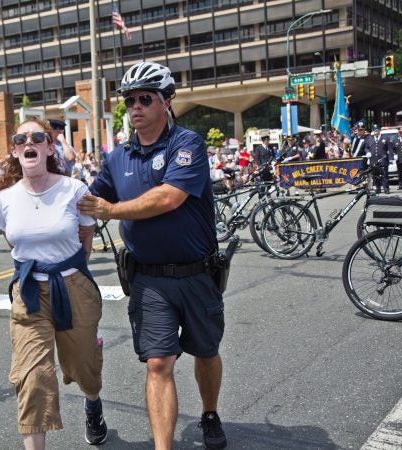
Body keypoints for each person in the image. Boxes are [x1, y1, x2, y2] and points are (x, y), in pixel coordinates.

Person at [78, 61, 227, 450]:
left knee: (206, 351)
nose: (136, 107)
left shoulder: (187, 144)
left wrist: (111, 211)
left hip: (197, 273)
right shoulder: (116, 158)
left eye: (145, 98)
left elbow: (169, 197)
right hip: (149, 280)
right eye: (130, 101)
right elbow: (86, 201)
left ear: (166, 102)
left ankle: (209, 412)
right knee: (159, 363)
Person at [0, 118, 107, 449]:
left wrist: (70, 268)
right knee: (32, 376)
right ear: (15, 150)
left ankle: (93, 401)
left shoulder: (74, 189)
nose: (29, 142)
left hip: (73, 287)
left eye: (37, 137)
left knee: (83, 367)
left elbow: (86, 235)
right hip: (28, 292)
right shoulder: (5, 199)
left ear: (49, 147)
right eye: (21, 138)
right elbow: (16, 244)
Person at [365, 125, 391, 194]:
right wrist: (368, 152)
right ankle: (378, 188)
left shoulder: (385, 138)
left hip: (383, 160)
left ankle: (386, 188)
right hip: (373, 160)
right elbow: (366, 148)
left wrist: (391, 158)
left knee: (384, 175)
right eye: (374, 130)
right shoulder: (369, 139)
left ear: (379, 130)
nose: (376, 132)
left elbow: (390, 148)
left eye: (377, 130)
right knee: (375, 175)